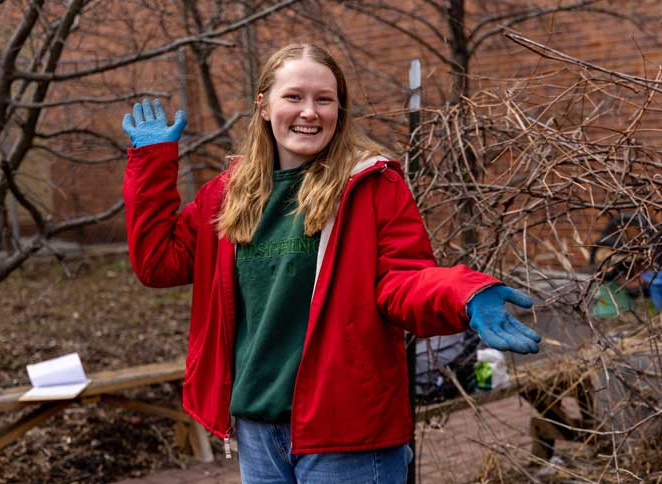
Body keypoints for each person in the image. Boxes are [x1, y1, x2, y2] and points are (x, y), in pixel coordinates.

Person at [122, 43, 541, 484]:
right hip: (257, 427)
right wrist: (152, 166)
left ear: (339, 110)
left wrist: (465, 294)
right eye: (294, 97)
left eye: (324, 99)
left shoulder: (371, 187)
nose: (309, 112)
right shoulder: (227, 195)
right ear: (263, 106)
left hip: (348, 430)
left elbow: (403, 280)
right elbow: (158, 263)